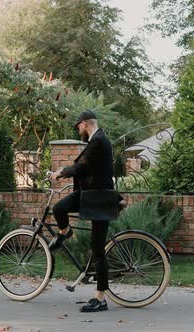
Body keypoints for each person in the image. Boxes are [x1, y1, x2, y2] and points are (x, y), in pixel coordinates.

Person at [49, 109, 119, 313]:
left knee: (98, 249)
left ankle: (101, 299)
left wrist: (59, 173)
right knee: (60, 208)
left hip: (97, 198)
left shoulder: (98, 141)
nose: (78, 129)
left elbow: (81, 167)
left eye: (78, 125)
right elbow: (88, 168)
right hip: (91, 195)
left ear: (86, 123)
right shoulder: (98, 140)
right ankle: (65, 232)